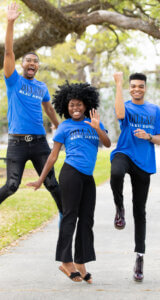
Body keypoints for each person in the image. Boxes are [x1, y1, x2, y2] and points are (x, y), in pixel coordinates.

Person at [28, 81, 111, 283]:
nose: (75, 108)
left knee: (87, 219)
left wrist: (97, 128)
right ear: (66, 106)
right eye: (71, 105)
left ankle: (81, 261)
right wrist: (41, 179)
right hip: (71, 173)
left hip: (87, 177)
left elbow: (107, 144)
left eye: (79, 104)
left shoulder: (95, 122)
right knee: (69, 216)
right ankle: (66, 261)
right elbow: (53, 155)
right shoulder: (64, 126)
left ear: (86, 105)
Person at [1, 3, 62, 215]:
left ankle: (69, 217)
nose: (31, 63)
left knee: (52, 183)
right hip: (17, 142)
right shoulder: (13, 81)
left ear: (37, 66)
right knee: (11, 185)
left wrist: (58, 127)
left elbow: (49, 109)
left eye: (35, 61)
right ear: (22, 64)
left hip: (39, 143)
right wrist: (10, 23)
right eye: (28, 60)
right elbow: (9, 52)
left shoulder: (41, 87)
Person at [110, 72, 160, 282]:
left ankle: (139, 257)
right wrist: (118, 83)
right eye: (133, 86)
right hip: (124, 152)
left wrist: (149, 136)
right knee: (115, 173)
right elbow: (119, 113)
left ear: (145, 87)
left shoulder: (155, 110)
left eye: (140, 86)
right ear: (129, 87)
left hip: (144, 161)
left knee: (140, 211)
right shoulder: (125, 105)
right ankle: (119, 207)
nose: (136, 89)